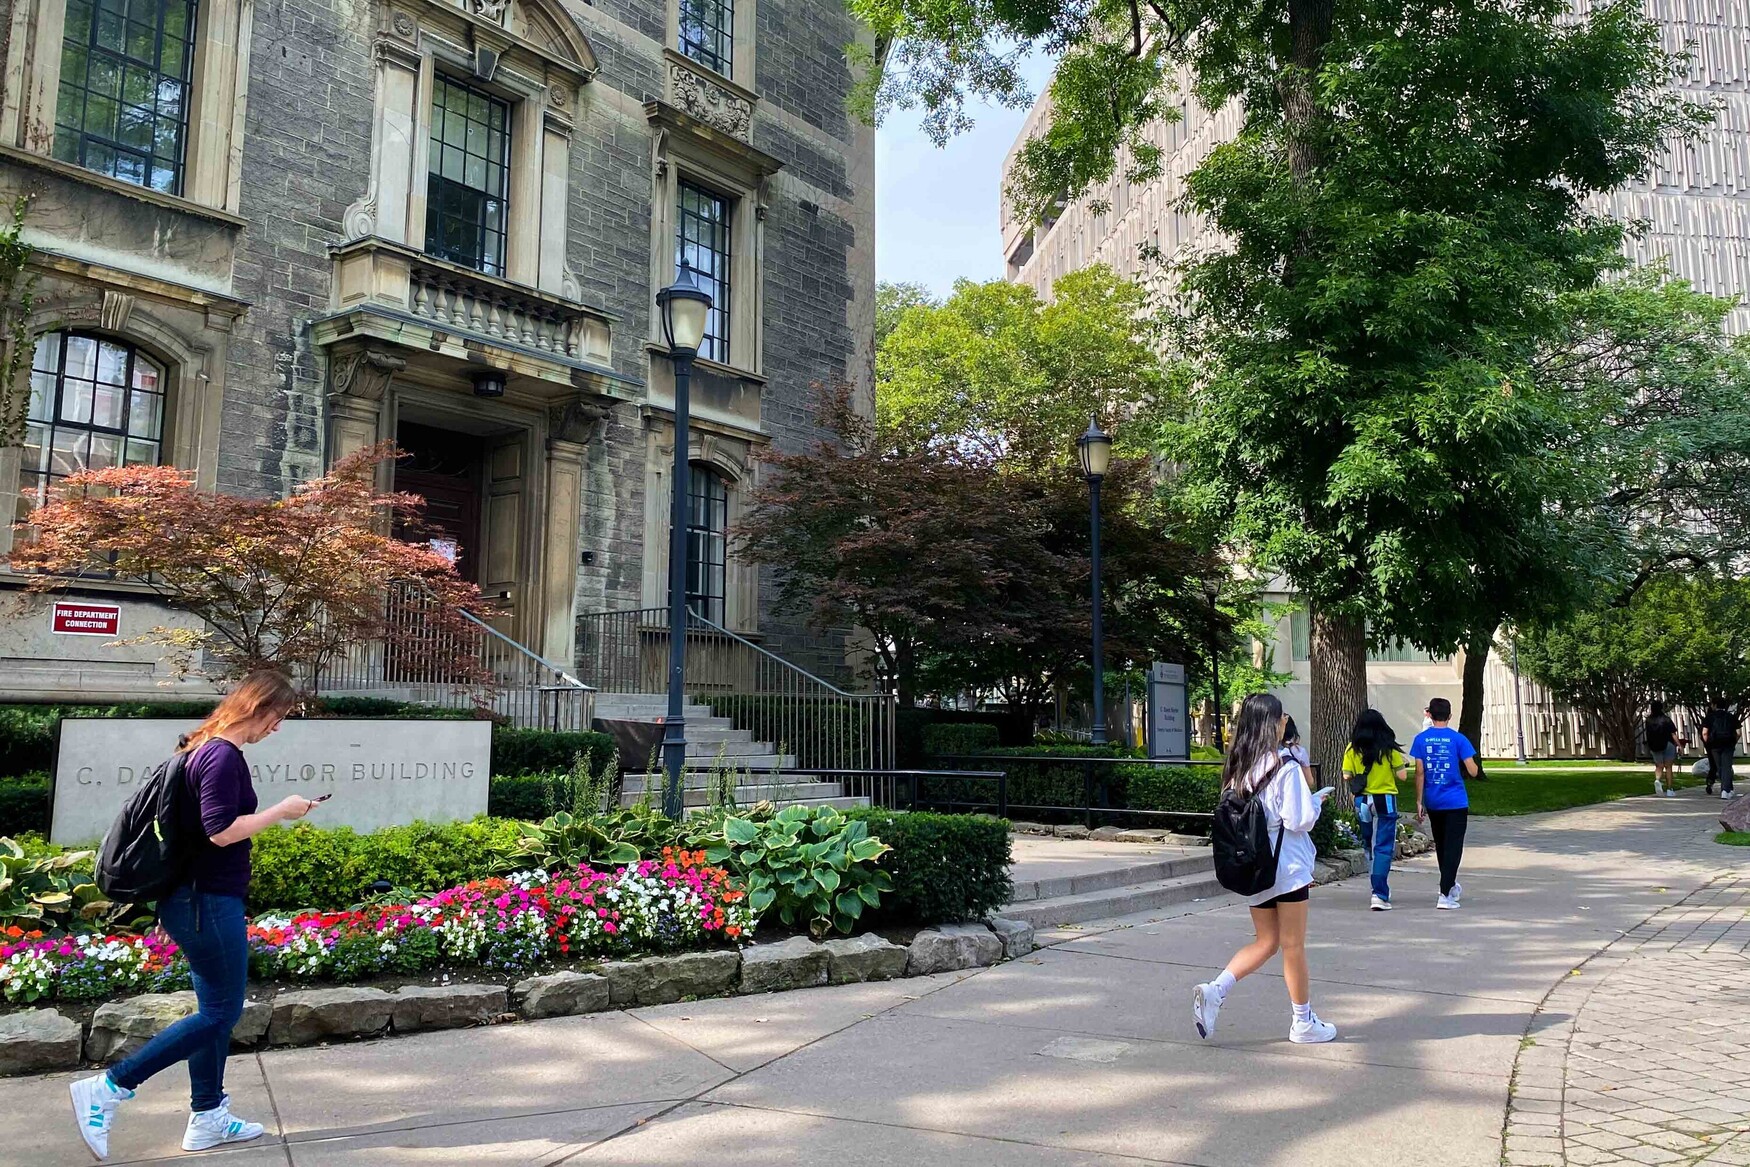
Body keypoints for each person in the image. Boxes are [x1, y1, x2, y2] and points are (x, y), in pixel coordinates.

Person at [69, 672, 316, 1161]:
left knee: (214, 1015)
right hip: (205, 903)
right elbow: (221, 831)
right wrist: (282, 811)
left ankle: (208, 1116)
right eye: (278, 716)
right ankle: (110, 1087)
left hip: (194, 900)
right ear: (258, 707)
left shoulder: (202, 748)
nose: (278, 727)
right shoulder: (222, 755)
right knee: (222, 1013)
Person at [1192, 693, 1337, 1044]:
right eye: (1282, 717)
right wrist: (1315, 803)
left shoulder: (1236, 768)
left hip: (1255, 866)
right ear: (1273, 723)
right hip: (1286, 868)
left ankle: (1215, 989)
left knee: (1267, 941)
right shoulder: (1284, 766)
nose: (1285, 722)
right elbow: (1298, 818)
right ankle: (1302, 1022)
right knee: (1293, 945)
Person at [1411, 697, 1478, 910]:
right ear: (1449, 716)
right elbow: (1473, 770)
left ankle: (1448, 885)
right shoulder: (1458, 739)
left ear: (1429, 714)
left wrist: (1419, 801)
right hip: (1456, 800)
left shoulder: (1421, 739)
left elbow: (1419, 772)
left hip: (1434, 800)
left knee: (1441, 845)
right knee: (1454, 846)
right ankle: (1445, 892)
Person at [1343, 710, 1409, 911]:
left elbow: (1347, 776)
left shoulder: (1351, 749)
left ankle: (1376, 885)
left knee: (1368, 844)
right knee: (1383, 846)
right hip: (1385, 799)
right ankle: (1379, 893)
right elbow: (1403, 776)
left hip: (1362, 800)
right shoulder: (1388, 749)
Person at [1701, 696, 1739, 800]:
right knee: (1727, 767)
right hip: (1728, 744)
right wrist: (1734, 742)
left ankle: (1726, 789)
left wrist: (1708, 744)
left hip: (1714, 745)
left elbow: (1704, 733)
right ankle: (1726, 790)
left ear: (1714, 705)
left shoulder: (1709, 717)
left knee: (1720, 767)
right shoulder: (1731, 717)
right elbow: (1738, 733)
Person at [1644, 701, 1680, 798]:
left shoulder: (1648, 720)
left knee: (1659, 766)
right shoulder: (1666, 719)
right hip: (1667, 744)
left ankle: (1657, 780)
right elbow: (1673, 734)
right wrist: (1679, 745)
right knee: (1668, 767)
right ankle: (1669, 789)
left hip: (1654, 745)